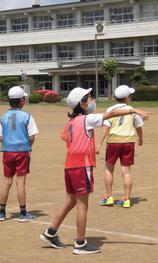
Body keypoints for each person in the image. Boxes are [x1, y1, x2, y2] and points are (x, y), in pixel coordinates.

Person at [40, 87, 149, 255]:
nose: (92, 100)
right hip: (81, 166)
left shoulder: (71, 122)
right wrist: (134, 110)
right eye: (89, 98)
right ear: (82, 104)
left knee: (70, 201)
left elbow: (65, 138)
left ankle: (50, 232)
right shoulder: (86, 119)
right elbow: (111, 115)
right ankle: (80, 243)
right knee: (82, 205)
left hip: (69, 166)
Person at [96, 85, 144, 209]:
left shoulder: (111, 109)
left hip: (113, 142)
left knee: (109, 169)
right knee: (126, 171)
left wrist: (100, 143)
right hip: (128, 142)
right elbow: (139, 127)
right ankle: (127, 199)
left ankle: (109, 196)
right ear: (127, 97)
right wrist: (140, 139)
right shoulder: (132, 110)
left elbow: (106, 127)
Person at [0, 86, 39, 222]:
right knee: (20, 182)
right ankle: (23, 212)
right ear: (22, 101)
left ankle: (2, 212)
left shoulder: (3, 117)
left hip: (7, 152)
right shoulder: (27, 116)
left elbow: (1, 137)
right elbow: (32, 137)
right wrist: (26, 146)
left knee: (7, 181)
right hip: (22, 152)